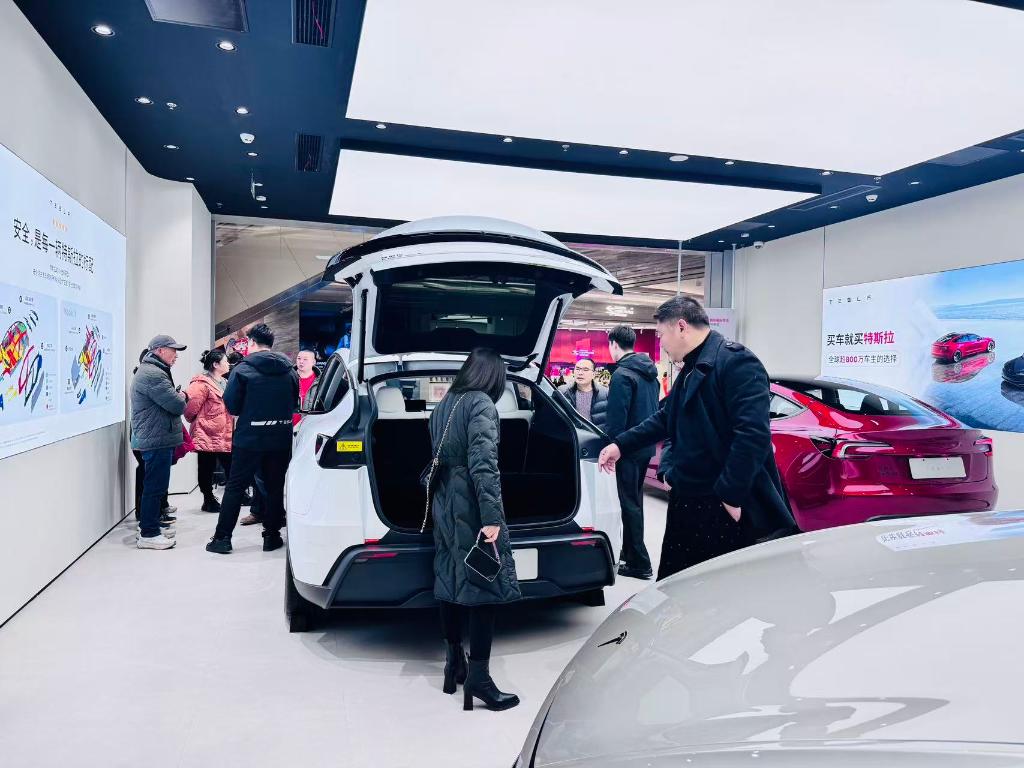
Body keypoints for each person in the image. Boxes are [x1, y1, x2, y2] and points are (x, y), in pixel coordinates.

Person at [599, 297, 798, 581]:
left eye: (661, 335)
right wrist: (621, 445)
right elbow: (665, 417)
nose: (661, 344)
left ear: (681, 327)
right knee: (680, 587)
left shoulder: (737, 362)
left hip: (720, 503)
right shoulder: (692, 367)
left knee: (719, 591)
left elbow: (752, 435)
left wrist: (730, 495)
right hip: (689, 499)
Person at [428, 348, 521, 711]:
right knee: (485, 583)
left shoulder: (445, 403)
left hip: (444, 502)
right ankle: (480, 679)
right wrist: (491, 517)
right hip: (470, 502)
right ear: (493, 376)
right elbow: (484, 464)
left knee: (451, 579)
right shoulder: (481, 403)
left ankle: (454, 664)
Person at [206, 323, 299, 555]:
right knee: (275, 486)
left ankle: (222, 539)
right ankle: (272, 536)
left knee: (235, 487)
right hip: (281, 437)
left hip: (249, 438)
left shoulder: (242, 370)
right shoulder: (290, 370)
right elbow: (294, 402)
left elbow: (232, 406)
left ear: (251, 342)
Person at [604, 325, 660, 580]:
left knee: (628, 505)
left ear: (614, 344)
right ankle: (630, 553)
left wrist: (613, 446)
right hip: (645, 447)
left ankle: (639, 562)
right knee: (635, 503)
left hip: (626, 448)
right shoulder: (650, 374)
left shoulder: (622, 375)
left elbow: (616, 420)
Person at [130, 335, 188, 550]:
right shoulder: (153, 374)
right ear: (160, 350)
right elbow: (177, 405)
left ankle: (150, 526)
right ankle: (149, 533)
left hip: (156, 437)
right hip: (156, 440)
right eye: (173, 350)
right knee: (155, 488)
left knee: (154, 487)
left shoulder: (153, 371)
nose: (176, 355)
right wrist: (183, 397)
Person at [185, 349, 233, 513]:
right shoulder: (200, 384)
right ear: (215, 364)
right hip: (206, 432)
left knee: (231, 465)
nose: (228, 364)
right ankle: (208, 499)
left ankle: (235, 496)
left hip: (224, 432)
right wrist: (200, 421)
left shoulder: (225, 382)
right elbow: (190, 409)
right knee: (206, 467)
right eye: (225, 361)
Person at [558, 357, 608, 429]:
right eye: (577, 369)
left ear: (593, 374)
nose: (580, 373)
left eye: (585, 370)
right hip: (573, 434)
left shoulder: (605, 393)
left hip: (596, 434)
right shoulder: (563, 391)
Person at [293, 349, 318, 424]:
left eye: (305, 359)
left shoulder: (320, 380)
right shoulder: (288, 378)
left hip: (309, 424)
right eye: (299, 358)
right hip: (289, 425)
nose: (301, 361)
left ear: (313, 362)